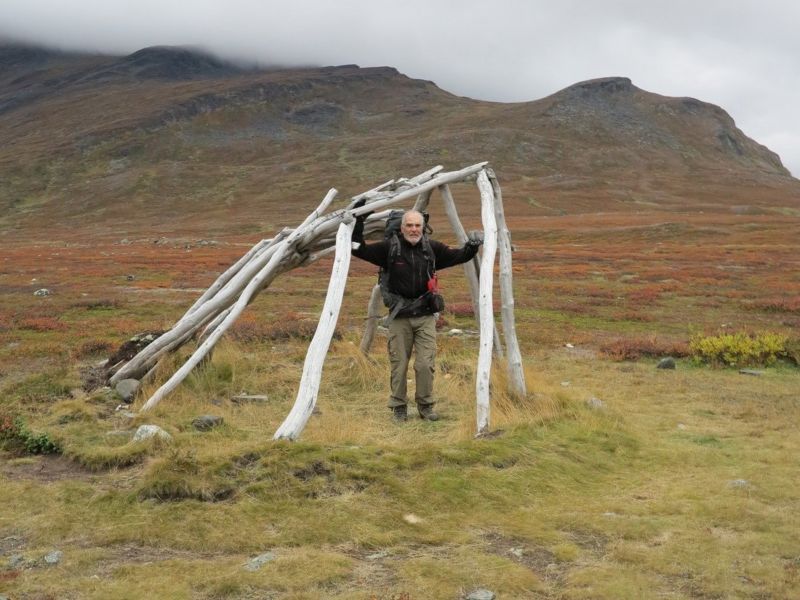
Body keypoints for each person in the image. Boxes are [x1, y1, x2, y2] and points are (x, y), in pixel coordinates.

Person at [351, 207, 483, 422]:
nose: (414, 229)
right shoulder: (389, 249)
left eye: (417, 225)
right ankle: (399, 407)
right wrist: (358, 222)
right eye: (409, 225)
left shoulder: (432, 249)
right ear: (402, 228)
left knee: (424, 364)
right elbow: (357, 249)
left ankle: (426, 406)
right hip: (398, 317)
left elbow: (458, 256)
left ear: (423, 228)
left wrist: (472, 245)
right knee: (399, 364)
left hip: (425, 317)